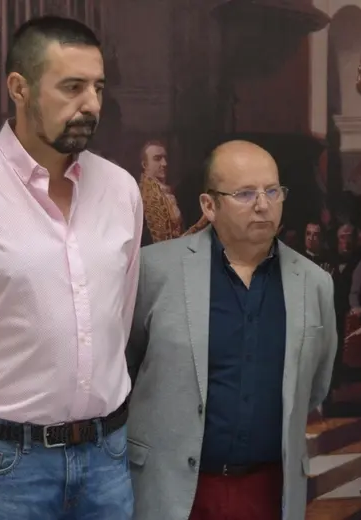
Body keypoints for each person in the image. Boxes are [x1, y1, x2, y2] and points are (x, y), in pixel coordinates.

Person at [0, 15, 141, 519]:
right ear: (19, 88)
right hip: (3, 466)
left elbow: (118, 320)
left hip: (106, 459)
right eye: (72, 87)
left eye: (98, 87)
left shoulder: (121, 190)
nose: (92, 104)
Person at [125, 139, 337, 520]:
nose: (263, 204)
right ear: (209, 205)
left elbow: (315, 385)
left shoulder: (314, 283)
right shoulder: (153, 271)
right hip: (172, 489)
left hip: (268, 489)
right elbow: (126, 366)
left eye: (272, 191)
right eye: (245, 193)